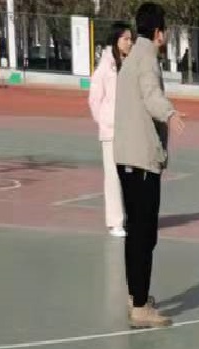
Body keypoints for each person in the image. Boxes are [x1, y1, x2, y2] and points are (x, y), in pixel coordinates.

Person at [114, 2, 184, 328]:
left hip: (127, 157)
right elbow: (151, 95)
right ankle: (140, 307)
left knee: (136, 233)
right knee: (144, 235)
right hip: (141, 160)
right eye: (164, 30)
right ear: (159, 32)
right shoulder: (146, 59)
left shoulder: (133, 57)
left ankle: (135, 295)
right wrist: (169, 112)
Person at [87, 21, 132, 239]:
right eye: (126, 39)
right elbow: (94, 99)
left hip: (129, 130)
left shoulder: (130, 64)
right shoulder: (105, 67)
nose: (129, 43)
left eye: (131, 39)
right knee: (113, 177)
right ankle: (115, 222)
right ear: (116, 40)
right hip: (111, 131)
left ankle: (131, 217)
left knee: (130, 176)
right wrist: (105, 121)